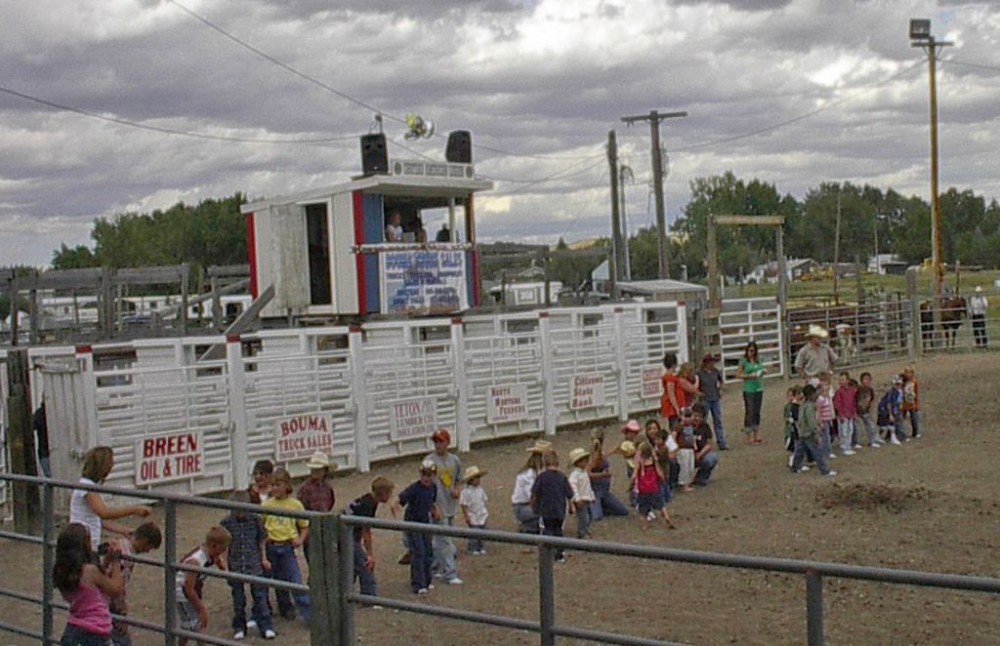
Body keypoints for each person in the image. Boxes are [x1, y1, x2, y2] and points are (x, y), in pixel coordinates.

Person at [54, 523, 123, 646]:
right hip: (95, 632)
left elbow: (92, 587)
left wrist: (106, 562)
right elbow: (115, 589)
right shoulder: (89, 571)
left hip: (73, 629)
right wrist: (116, 560)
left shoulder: (64, 573)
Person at [70, 446, 152, 549]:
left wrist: (123, 530)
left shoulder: (89, 486)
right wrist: (134, 509)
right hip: (81, 542)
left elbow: (97, 519)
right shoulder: (87, 487)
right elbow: (104, 513)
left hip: (87, 541)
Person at [220, 490, 275, 641]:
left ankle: (266, 625)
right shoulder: (226, 523)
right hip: (236, 564)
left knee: (260, 596)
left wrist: (264, 559)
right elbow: (225, 546)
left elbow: (262, 540)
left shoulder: (255, 520)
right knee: (238, 599)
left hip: (254, 562)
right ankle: (239, 626)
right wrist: (225, 564)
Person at [261, 468, 311, 622]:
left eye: (278, 485)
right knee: (276, 579)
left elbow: (304, 525)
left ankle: (308, 614)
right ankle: (283, 608)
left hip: (287, 546)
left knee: (295, 579)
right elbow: (261, 526)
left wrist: (300, 539)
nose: (275, 488)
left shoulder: (295, 505)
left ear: (287, 485)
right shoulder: (266, 505)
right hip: (271, 546)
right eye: (273, 485)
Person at [104, 522, 163, 646]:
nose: (147, 551)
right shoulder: (126, 556)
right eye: (149, 547)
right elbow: (120, 586)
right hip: (110, 603)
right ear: (145, 541)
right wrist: (122, 613)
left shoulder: (122, 544)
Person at [176, 526, 232, 646]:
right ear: (214, 545)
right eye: (221, 550)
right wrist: (202, 609)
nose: (222, 553)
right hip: (182, 592)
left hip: (193, 589)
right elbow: (188, 588)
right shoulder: (196, 561)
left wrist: (223, 569)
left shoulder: (210, 554)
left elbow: (217, 560)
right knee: (196, 623)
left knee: (190, 624)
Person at [346, 476, 398, 602]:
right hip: (347, 535)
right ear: (383, 493)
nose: (390, 496)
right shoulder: (368, 505)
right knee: (366, 564)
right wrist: (370, 554)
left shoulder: (366, 499)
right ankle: (369, 596)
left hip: (347, 534)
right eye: (389, 493)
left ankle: (345, 592)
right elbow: (366, 530)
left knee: (352, 565)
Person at [424, 428, 463, 585]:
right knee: (445, 541)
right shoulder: (429, 461)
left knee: (440, 539)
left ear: (447, 442)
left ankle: (435, 567)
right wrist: (433, 506)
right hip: (438, 506)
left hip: (450, 504)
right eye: (436, 441)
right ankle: (450, 573)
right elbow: (426, 485)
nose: (438, 444)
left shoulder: (454, 460)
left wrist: (457, 489)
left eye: (441, 441)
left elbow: (458, 479)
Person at [398, 460, 439, 594]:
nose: (427, 478)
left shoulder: (433, 488)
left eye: (430, 475)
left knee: (428, 551)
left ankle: (427, 580)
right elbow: (401, 498)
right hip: (413, 523)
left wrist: (434, 510)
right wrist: (394, 506)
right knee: (418, 552)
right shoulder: (414, 488)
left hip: (425, 522)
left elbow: (431, 502)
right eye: (424, 475)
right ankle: (418, 584)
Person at [530, 450, 573, 562]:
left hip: (546, 509)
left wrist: (533, 505)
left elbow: (535, 493)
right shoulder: (562, 477)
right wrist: (571, 507)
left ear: (544, 463)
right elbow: (569, 494)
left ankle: (547, 552)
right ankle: (560, 553)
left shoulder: (541, 477)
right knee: (558, 530)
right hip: (560, 509)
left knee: (548, 529)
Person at [296, 452, 336, 563]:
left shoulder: (328, 487)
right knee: (314, 560)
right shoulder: (305, 488)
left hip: (325, 527)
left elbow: (330, 503)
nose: (315, 472)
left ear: (325, 471)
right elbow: (300, 508)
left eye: (318, 469)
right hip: (311, 528)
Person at [791, 385, 835, 476]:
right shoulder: (809, 406)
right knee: (818, 452)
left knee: (799, 452)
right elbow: (811, 422)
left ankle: (795, 468)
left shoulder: (803, 405)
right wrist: (816, 433)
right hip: (809, 433)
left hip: (803, 432)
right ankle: (824, 470)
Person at [586, 429, 629, 521]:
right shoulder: (594, 456)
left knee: (623, 511)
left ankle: (601, 506)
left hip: (604, 491)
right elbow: (587, 474)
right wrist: (603, 475)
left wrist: (613, 451)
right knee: (597, 516)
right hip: (595, 492)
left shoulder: (599, 453)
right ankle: (589, 507)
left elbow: (603, 457)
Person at [511, 440, 550, 534]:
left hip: (531, 504)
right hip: (523, 506)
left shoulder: (541, 471)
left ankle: (533, 526)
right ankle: (528, 528)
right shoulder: (528, 474)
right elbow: (531, 496)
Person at [632, 442, 674, 529]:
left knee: (643, 509)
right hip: (654, 487)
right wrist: (663, 481)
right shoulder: (653, 461)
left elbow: (634, 475)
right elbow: (659, 473)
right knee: (661, 505)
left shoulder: (639, 462)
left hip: (643, 489)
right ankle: (666, 517)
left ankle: (645, 524)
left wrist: (631, 485)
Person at [696, 354, 728, 450]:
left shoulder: (715, 372)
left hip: (715, 398)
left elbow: (721, 381)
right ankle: (702, 441)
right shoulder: (699, 373)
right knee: (703, 421)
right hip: (705, 400)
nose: (713, 364)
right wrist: (699, 393)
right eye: (711, 362)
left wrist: (720, 389)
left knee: (718, 420)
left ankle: (721, 441)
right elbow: (695, 385)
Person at [737, 341, 766, 445]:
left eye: (753, 351)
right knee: (750, 411)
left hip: (758, 388)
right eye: (750, 350)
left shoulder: (758, 360)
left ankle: (756, 434)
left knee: (757, 411)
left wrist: (762, 372)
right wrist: (749, 376)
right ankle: (749, 435)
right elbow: (738, 374)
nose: (751, 353)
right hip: (749, 389)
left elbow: (761, 369)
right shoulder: (744, 361)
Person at [459, 466, 489, 555]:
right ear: (470, 480)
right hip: (472, 514)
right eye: (476, 478)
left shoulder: (480, 490)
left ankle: (482, 547)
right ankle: (472, 548)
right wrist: (466, 516)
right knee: (474, 533)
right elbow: (464, 505)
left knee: (483, 532)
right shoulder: (466, 492)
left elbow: (484, 500)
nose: (479, 480)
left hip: (481, 513)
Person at [567, 448, 595, 539]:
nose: (586, 462)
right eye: (584, 460)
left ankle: (585, 528)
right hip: (581, 499)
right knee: (583, 517)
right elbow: (573, 487)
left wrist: (592, 496)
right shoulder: (575, 474)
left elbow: (588, 486)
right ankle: (582, 532)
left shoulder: (584, 473)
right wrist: (577, 498)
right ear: (578, 462)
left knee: (590, 515)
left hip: (586, 498)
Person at [689, 403, 719, 486]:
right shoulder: (685, 426)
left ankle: (702, 477)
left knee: (712, 458)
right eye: (695, 415)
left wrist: (700, 454)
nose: (697, 418)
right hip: (686, 454)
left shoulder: (705, 427)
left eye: (700, 416)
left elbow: (709, 444)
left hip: (700, 454)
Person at [833, 372, 859, 456]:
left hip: (850, 414)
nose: (841, 382)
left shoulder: (852, 391)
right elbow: (838, 404)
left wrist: (854, 413)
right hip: (843, 415)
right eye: (840, 380)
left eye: (843, 380)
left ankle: (848, 446)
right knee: (843, 431)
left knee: (850, 430)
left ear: (848, 380)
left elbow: (853, 403)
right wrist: (840, 414)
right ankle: (844, 447)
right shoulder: (839, 392)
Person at [856, 371, 882, 448]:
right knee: (857, 428)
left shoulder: (870, 390)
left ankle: (872, 441)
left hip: (866, 411)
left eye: (869, 379)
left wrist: (871, 409)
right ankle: (856, 442)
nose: (867, 381)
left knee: (870, 425)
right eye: (865, 379)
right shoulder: (858, 390)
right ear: (861, 380)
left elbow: (872, 400)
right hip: (857, 411)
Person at [674, 409, 697, 492]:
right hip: (682, 449)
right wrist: (675, 447)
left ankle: (689, 481)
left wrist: (694, 445)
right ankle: (684, 484)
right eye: (686, 416)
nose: (688, 419)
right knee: (684, 466)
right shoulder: (679, 426)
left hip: (690, 449)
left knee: (691, 466)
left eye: (689, 416)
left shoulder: (692, 426)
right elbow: (673, 435)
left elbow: (692, 436)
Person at [877, 376, 905, 445]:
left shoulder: (899, 392)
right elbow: (888, 403)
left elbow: (898, 402)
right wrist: (890, 414)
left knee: (892, 425)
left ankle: (893, 437)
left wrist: (898, 411)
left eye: (899, 384)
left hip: (893, 409)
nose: (898, 386)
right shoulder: (890, 392)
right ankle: (878, 437)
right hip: (884, 410)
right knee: (884, 425)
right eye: (896, 384)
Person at [660, 352, 684, 428]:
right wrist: (677, 408)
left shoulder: (670, 376)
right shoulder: (670, 378)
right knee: (675, 425)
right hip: (672, 406)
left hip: (672, 404)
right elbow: (671, 395)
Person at [815, 374, 836, 460]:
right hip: (823, 420)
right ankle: (826, 452)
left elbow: (830, 409)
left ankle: (827, 451)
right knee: (825, 437)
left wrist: (831, 419)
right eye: (825, 385)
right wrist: (820, 422)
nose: (827, 387)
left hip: (827, 419)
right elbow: (818, 412)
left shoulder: (827, 398)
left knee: (827, 436)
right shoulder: (820, 399)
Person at [783, 386, 804, 469]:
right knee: (794, 447)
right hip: (792, 430)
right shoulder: (791, 406)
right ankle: (794, 463)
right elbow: (788, 418)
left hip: (794, 429)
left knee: (796, 447)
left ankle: (795, 462)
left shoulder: (797, 405)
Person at [901, 366, 921, 439]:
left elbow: (916, 393)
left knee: (914, 418)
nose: (908, 374)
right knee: (901, 418)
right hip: (904, 403)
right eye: (906, 372)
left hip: (912, 402)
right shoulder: (902, 382)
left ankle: (916, 432)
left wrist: (917, 404)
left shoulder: (914, 382)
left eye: (909, 372)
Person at [33, 400, 51, 478]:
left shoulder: (39, 414)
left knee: (49, 477)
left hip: (43, 452)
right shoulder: (53, 413)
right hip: (46, 451)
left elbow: (32, 427)